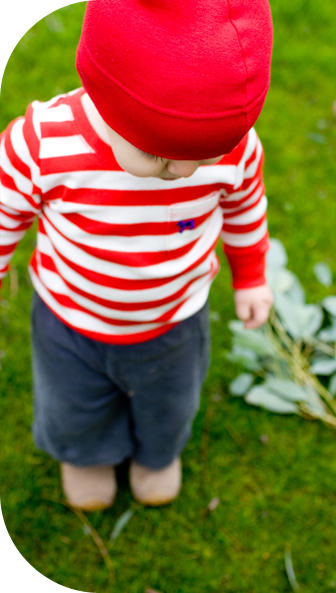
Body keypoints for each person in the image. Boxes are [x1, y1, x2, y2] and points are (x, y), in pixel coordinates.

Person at [0, 0, 274, 510]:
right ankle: (85, 456)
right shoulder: (44, 143)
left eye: (203, 156)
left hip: (175, 319)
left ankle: (157, 455)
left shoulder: (235, 148)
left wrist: (252, 275)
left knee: (170, 404)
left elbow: (245, 208)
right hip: (70, 320)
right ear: (104, 99)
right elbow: (3, 211)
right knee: (72, 404)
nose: (183, 172)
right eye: (156, 155)